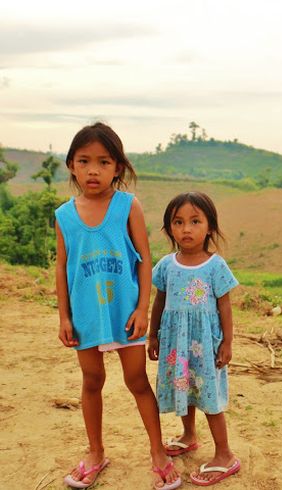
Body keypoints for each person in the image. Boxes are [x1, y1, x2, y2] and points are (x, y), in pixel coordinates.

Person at [55, 122, 181, 490]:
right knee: (92, 380)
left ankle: (158, 452)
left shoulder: (128, 205)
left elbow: (144, 259)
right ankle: (95, 452)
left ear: (118, 168)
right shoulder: (64, 216)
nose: (93, 170)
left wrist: (142, 309)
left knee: (137, 380)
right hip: (85, 315)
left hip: (125, 312)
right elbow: (62, 269)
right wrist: (64, 315)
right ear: (71, 166)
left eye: (104, 162)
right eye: (84, 161)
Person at [148, 191, 241, 486]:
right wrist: (153, 335)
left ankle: (225, 455)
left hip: (205, 344)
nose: (186, 229)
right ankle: (189, 435)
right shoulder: (166, 265)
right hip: (176, 344)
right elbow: (159, 302)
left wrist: (227, 342)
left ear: (209, 226)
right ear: (169, 228)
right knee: (183, 388)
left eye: (195, 221)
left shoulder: (215, 266)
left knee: (209, 397)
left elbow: (224, 306)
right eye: (178, 222)